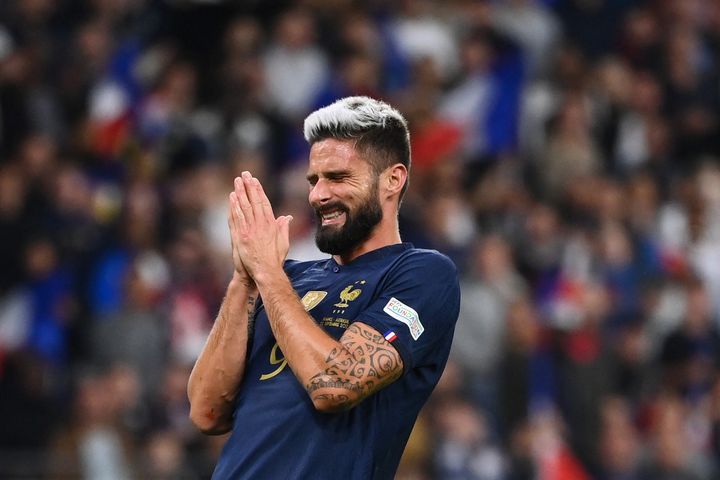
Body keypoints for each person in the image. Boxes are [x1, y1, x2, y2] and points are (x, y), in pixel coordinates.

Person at [187, 96, 461, 479]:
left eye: (338, 177)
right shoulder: (287, 279)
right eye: (313, 180)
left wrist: (267, 273)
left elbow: (336, 385)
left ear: (393, 180)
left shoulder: (421, 274)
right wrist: (243, 280)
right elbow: (206, 411)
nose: (317, 195)